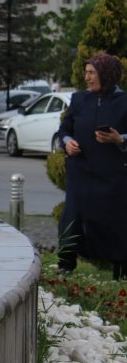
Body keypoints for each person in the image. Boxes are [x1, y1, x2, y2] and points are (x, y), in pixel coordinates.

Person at [57, 53, 127, 280]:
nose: (86, 77)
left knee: (114, 221)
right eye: (86, 72)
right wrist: (68, 143)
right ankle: (65, 266)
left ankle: (120, 271)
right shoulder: (79, 100)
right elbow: (64, 129)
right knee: (72, 217)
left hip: (112, 177)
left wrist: (119, 139)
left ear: (105, 75)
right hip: (80, 174)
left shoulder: (124, 102)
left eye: (91, 73)